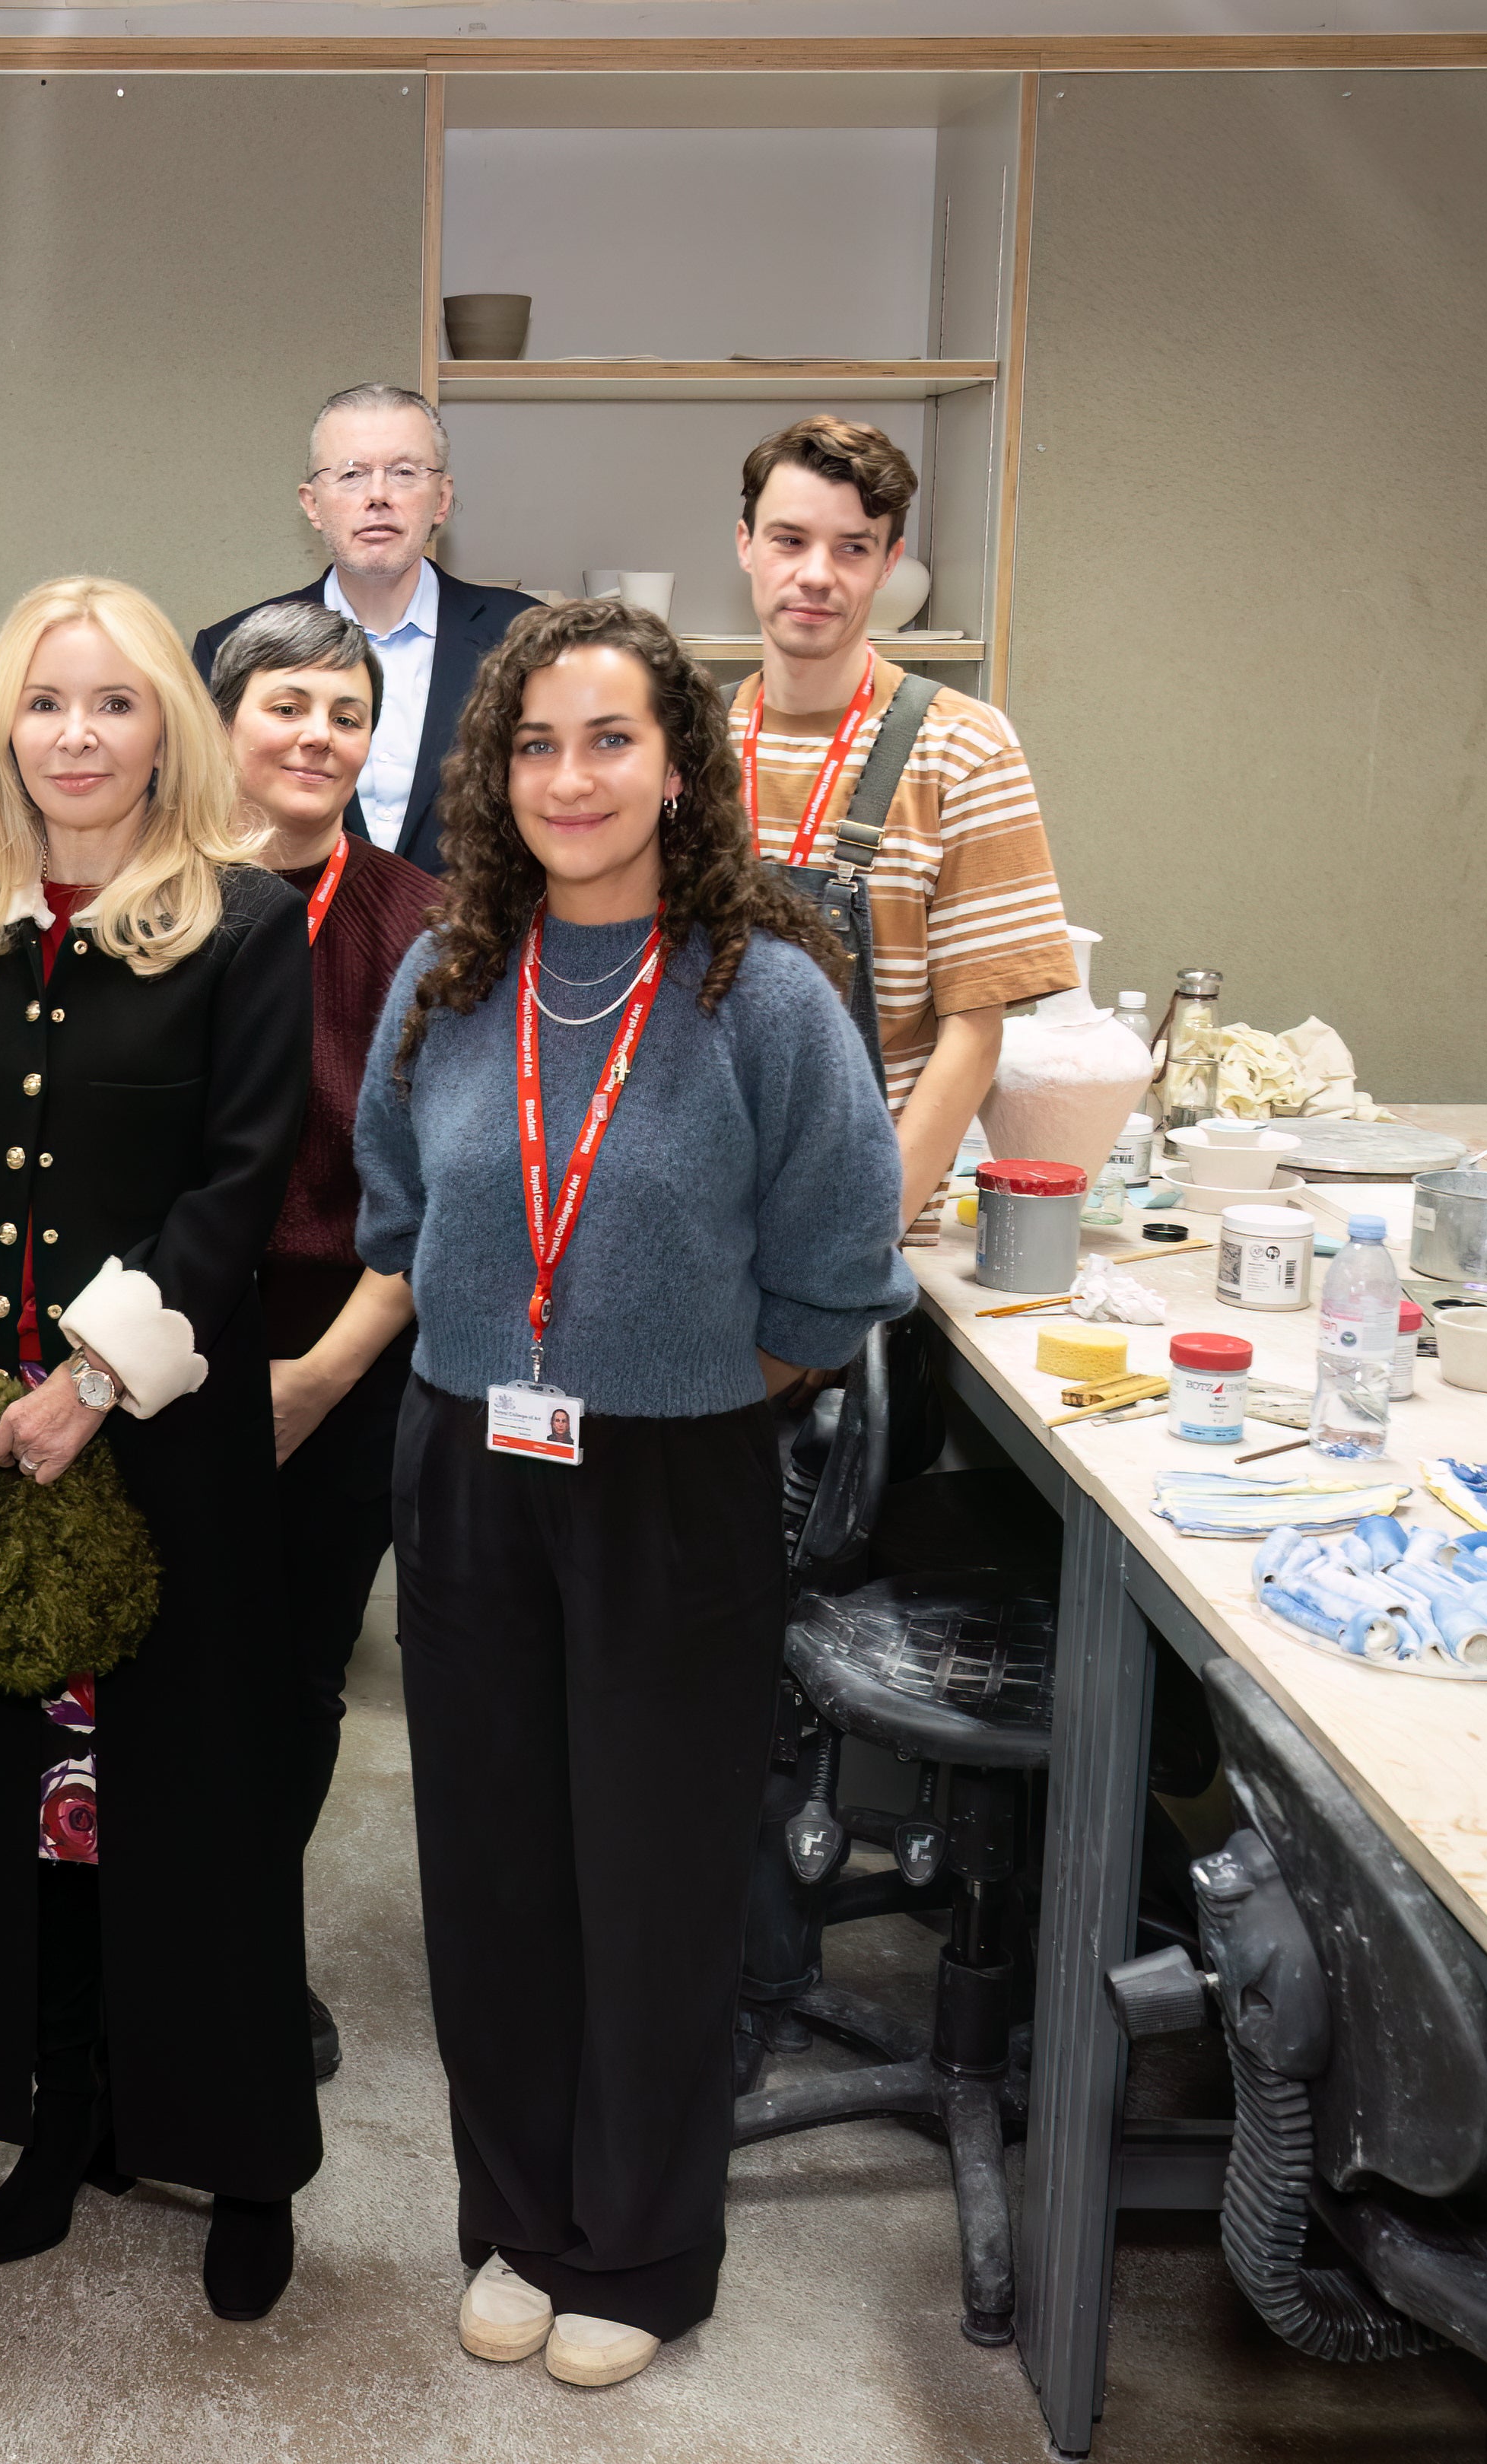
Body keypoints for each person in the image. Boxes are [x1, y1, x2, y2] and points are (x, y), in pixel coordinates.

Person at [356, 596, 915, 2388]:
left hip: (674, 1478)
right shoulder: (445, 979)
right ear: (491, 775)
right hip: (464, 1471)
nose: (571, 776)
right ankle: (516, 2216)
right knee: (495, 1874)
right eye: (534, 744)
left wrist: (674, 1394)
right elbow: (395, 1208)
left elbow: (835, 1271)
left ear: (679, 765)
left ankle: (643, 2244)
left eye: (610, 739)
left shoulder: (763, 989)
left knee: (655, 1880)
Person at [0, 574, 319, 2325]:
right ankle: (62, 2114)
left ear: (163, 730)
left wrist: (94, 1379)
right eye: (46, 703)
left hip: (160, 1445)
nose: (76, 734)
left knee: (193, 1808)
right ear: (6, 732)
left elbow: (239, 1182)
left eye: (113, 703)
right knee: (23, 1819)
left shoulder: (242, 922)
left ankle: (248, 2150)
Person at [205, 597, 439, 2085]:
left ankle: (246, 1949)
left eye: (342, 712)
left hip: (341, 1362)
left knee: (291, 1679)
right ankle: (130, 1947)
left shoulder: (421, 925)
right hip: (150, 1356)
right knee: (151, 1674)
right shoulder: (144, 902)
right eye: (283, 704)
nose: (315, 735)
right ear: (220, 722)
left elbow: (440, 1196)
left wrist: (320, 1376)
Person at [726, 415, 1079, 1219]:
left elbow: (973, 1034)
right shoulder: (680, 743)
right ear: (744, 543)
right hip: (689, 1216)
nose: (816, 575)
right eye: (788, 540)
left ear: (888, 562)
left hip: (865, 1216)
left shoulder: (961, 748)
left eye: (852, 547)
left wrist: (862, 1230)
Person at [191, 383, 535, 875]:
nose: (378, 495)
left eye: (403, 472)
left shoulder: (525, 637)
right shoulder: (231, 648)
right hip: (296, 941)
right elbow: (199, 820)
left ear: (442, 499)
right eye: (351, 474)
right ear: (312, 504)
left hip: (482, 944)